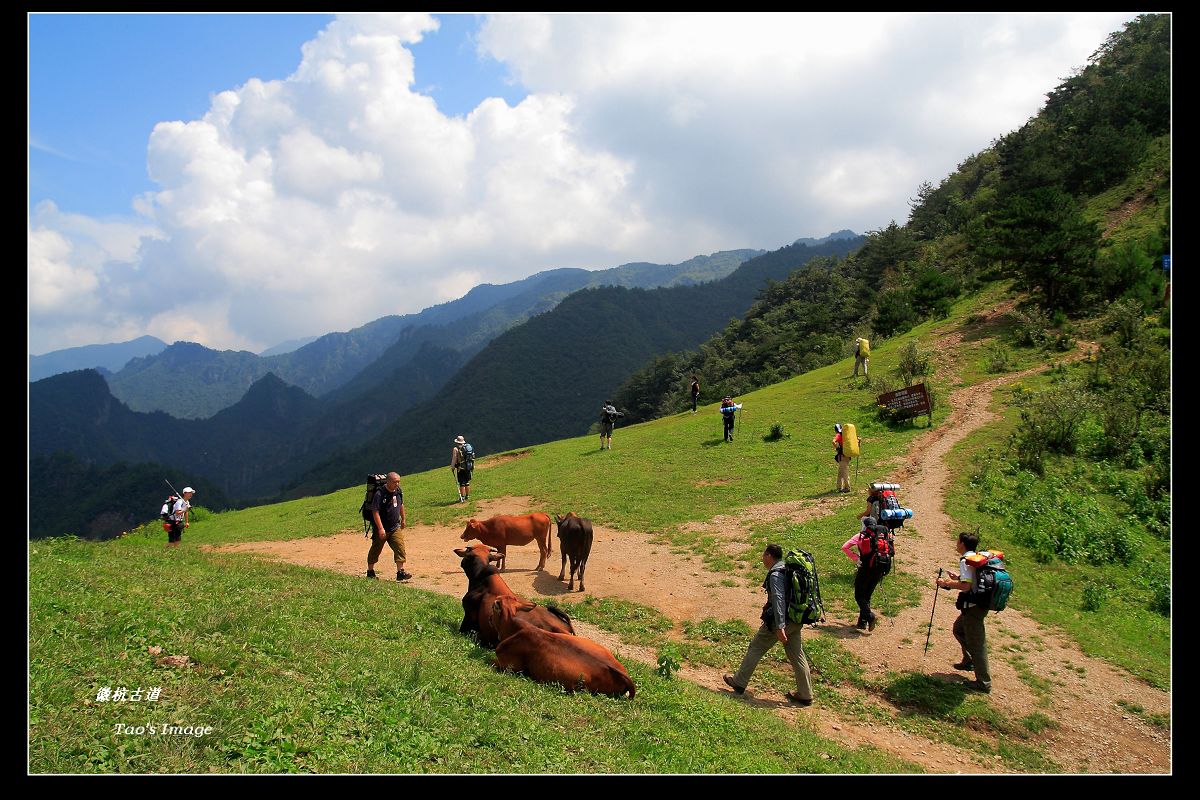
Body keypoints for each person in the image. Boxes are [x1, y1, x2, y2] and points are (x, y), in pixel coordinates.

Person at [723, 544, 814, 706]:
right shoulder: (788, 569)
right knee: (796, 655)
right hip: (796, 619)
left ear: (769, 556)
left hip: (781, 622)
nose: (762, 558)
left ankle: (738, 682)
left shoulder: (776, 574)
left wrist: (779, 626)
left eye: (764, 555)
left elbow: (778, 600)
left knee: (756, 647)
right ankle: (805, 693)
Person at [936, 531, 991, 693]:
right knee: (959, 629)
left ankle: (984, 683)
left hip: (973, 606)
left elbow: (966, 586)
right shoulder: (975, 558)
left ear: (962, 544)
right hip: (979, 603)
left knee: (977, 643)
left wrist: (946, 582)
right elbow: (971, 579)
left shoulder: (966, 560)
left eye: (957, 540)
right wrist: (959, 577)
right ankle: (969, 660)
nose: (956, 542)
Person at [842, 516, 885, 631]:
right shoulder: (882, 536)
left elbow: (845, 547)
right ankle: (862, 622)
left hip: (865, 569)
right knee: (867, 596)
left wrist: (856, 558)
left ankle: (870, 617)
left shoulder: (861, 536)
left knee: (859, 596)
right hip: (878, 570)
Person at [366, 471, 411, 581]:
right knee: (376, 549)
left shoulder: (398, 491)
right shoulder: (379, 494)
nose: (397, 484)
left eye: (399, 482)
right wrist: (380, 528)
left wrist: (403, 519)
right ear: (388, 481)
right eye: (395, 482)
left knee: (400, 548)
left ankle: (400, 572)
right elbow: (375, 511)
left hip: (395, 527)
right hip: (382, 529)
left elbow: (401, 505)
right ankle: (370, 571)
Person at [451, 435, 473, 503]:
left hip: (460, 468)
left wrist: (452, 467)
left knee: (462, 483)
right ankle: (467, 496)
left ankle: (462, 497)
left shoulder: (456, 449)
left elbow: (454, 459)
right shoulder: (467, 447)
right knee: (467, 482)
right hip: (467, 467)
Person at [833, 424, 851, 493]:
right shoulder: (846, 434)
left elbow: (833, 441)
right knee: (840, 472)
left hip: (842, 456)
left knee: (844, 472)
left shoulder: (839, 435)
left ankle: (847, 487)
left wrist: (837, 448)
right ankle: (839, 487)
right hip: (847, 456)